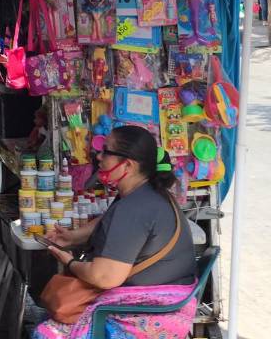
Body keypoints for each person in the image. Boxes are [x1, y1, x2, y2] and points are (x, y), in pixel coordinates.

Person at [34, 126, 197, 338]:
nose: (99, 157)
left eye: (106, 152)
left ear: (127, 165)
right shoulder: (147, 194)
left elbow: (103, 277)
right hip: (172, 302)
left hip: (150, 314)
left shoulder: (134, 209)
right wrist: (73, 236)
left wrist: (70, 262)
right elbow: (107, 220)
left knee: (47, 332)